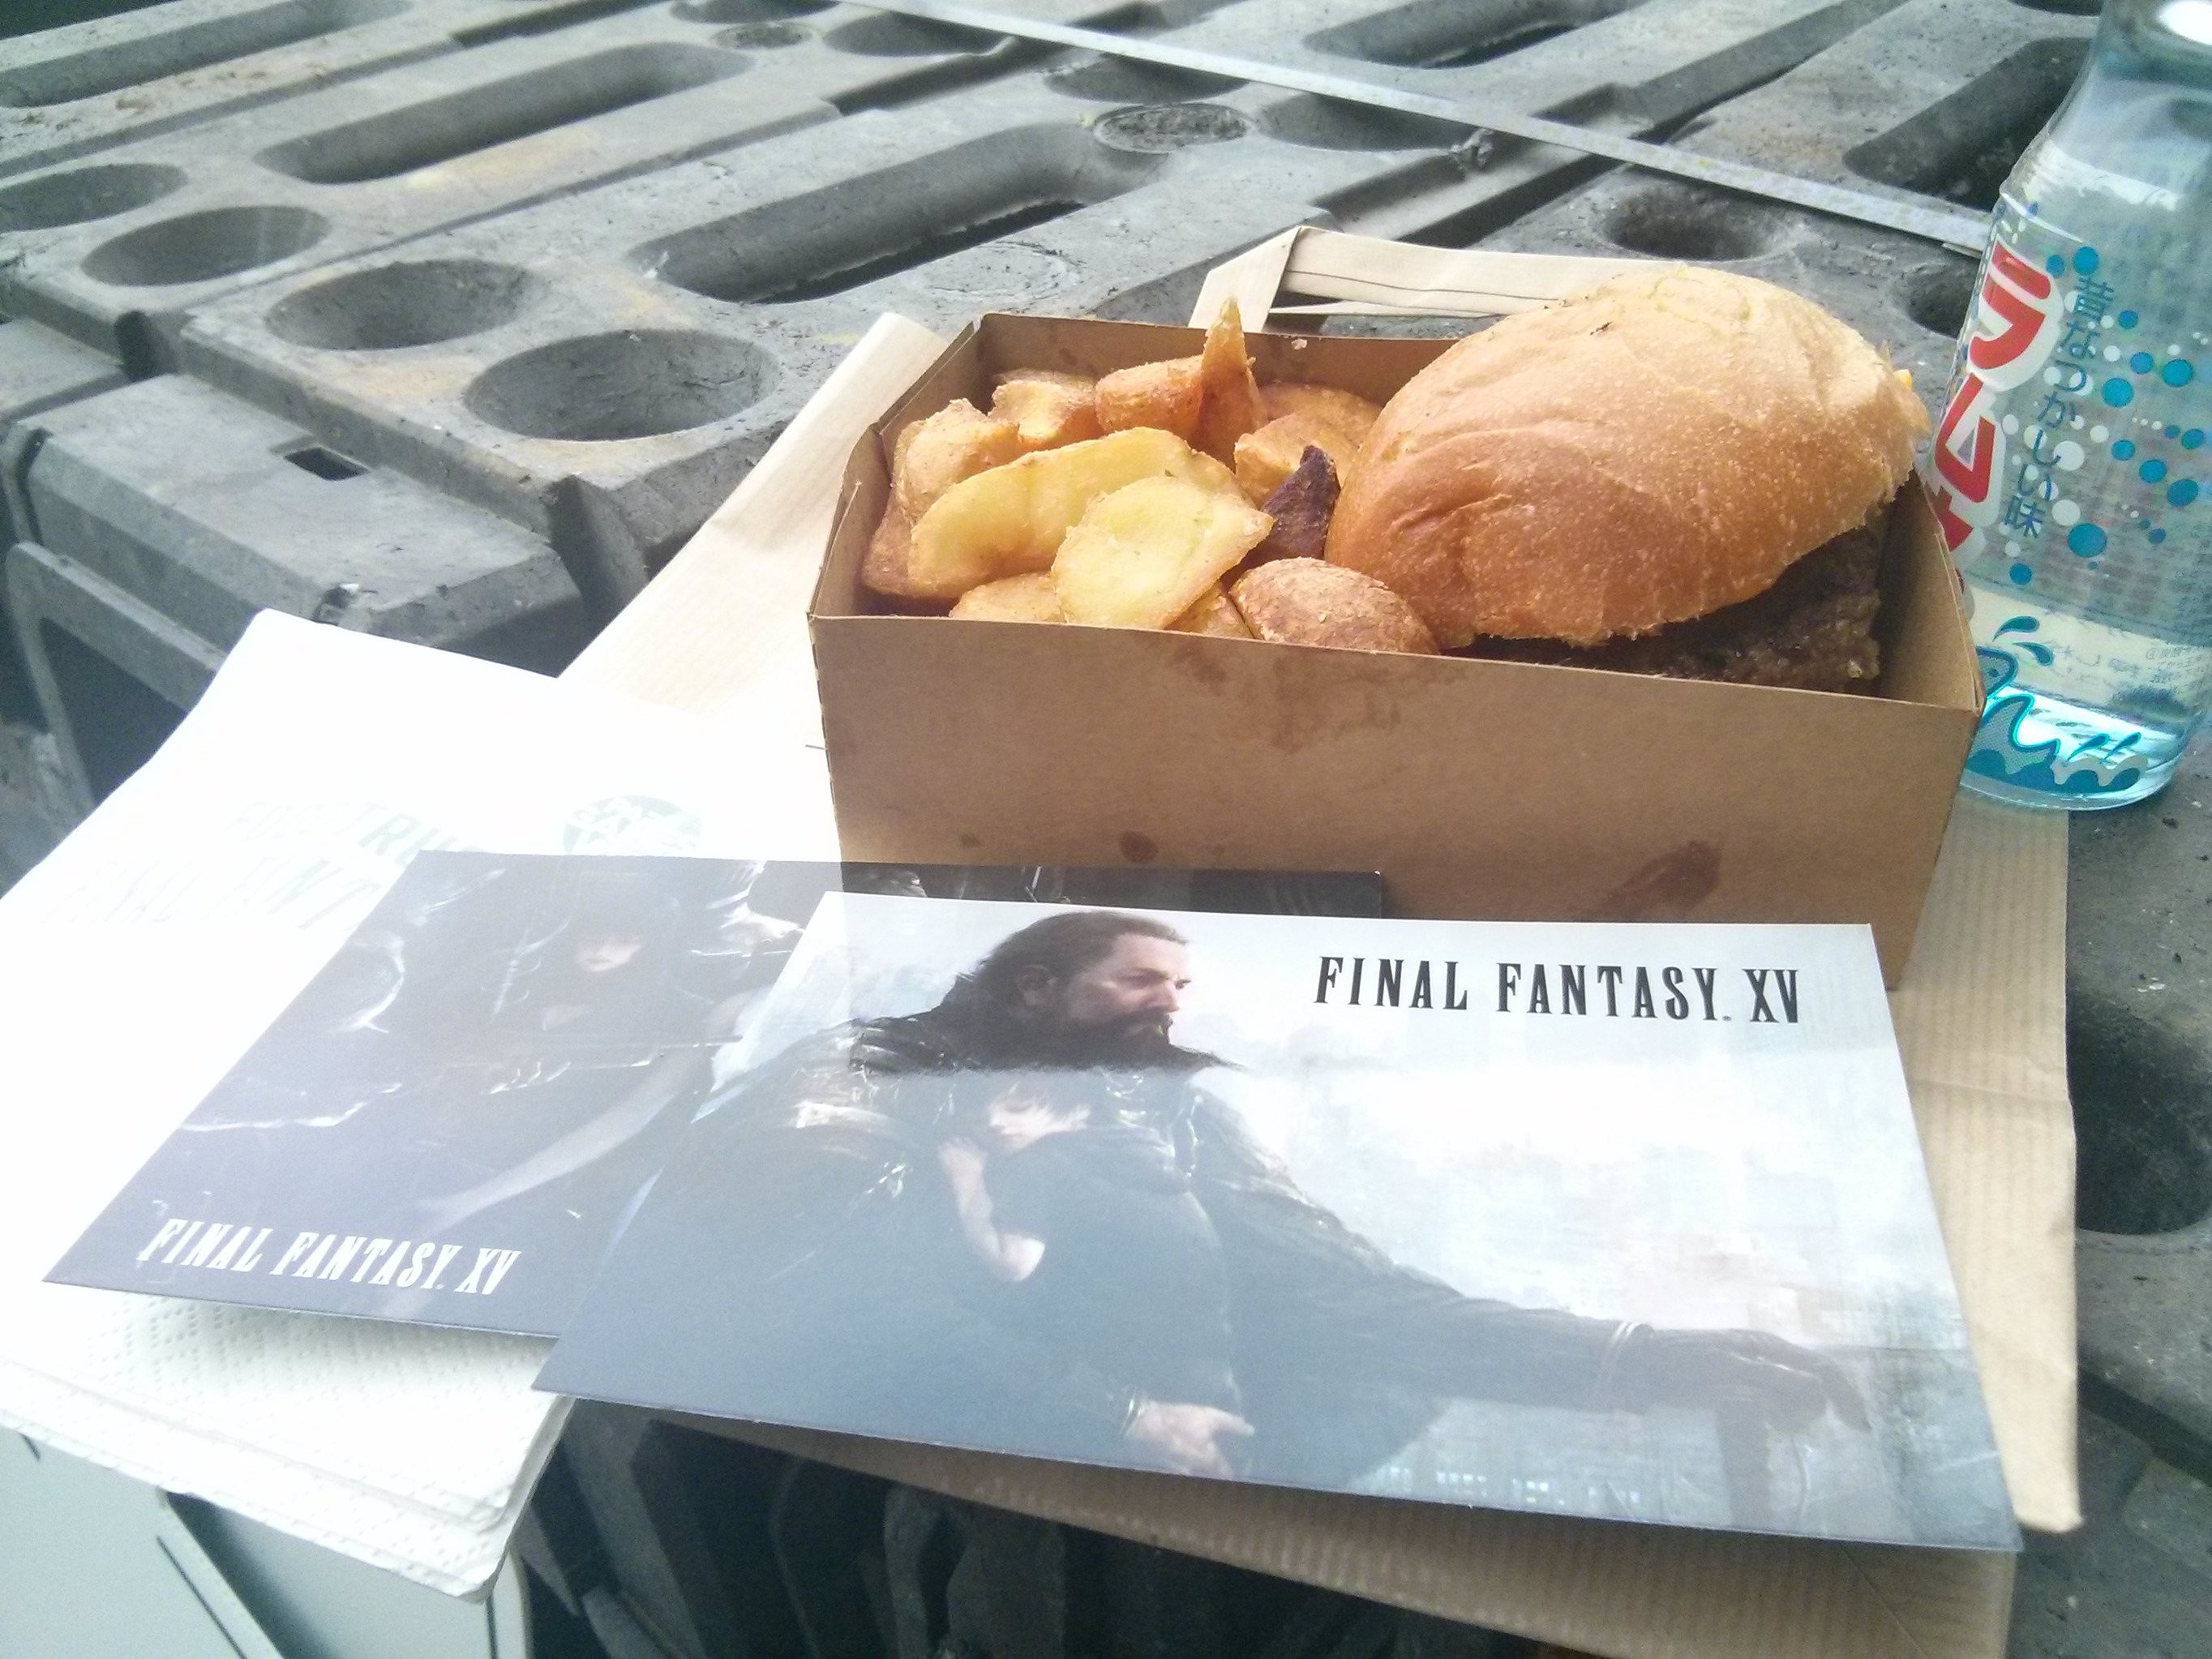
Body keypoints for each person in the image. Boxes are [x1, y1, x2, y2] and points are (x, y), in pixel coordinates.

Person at [578, 910, 1867, 1492]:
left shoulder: (1167, 1107)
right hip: (837, 1481)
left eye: (1180, 988)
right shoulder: (861, 1084)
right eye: (1141, 981)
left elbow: (1340, 1290)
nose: (1172, 1008)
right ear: (1031, 988)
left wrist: (1623, 1356)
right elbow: (838, 1317)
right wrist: (1115, 1413)